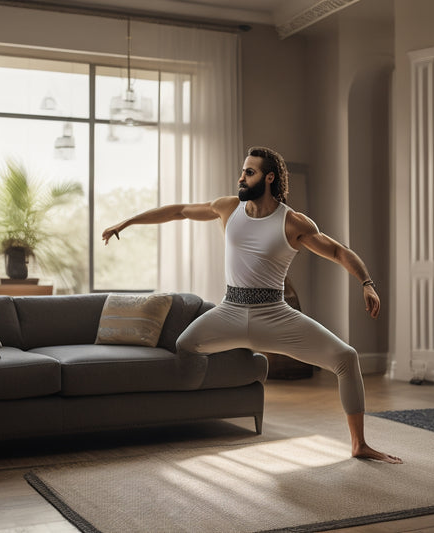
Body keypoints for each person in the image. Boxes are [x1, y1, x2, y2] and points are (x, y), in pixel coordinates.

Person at [102, 146, 402, 464]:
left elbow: (339, 251)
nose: (241, 178)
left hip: (275, 316)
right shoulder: (228, 208)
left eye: (249, 172)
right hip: (229, 311)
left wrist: (367, 284)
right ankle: (187, 420)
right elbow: (179, 211)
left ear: (269, 178)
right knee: (185, 344)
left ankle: (359, 444)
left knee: (346, 358)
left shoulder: (293, 223)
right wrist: (128, 222)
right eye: (243, 171)